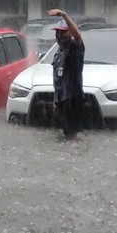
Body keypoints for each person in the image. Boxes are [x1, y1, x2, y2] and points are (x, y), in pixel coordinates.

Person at [47, 9, 85, 140]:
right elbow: (57, 78)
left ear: (69, 32)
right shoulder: (59, 51)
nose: (58, 35)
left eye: (62, 32)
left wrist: (64, 15)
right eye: (57, 32)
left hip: (72, 97)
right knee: (64, 133)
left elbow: (78, 36)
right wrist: (55, 100)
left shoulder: (75, 47)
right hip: (61, 97)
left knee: (71, 134)